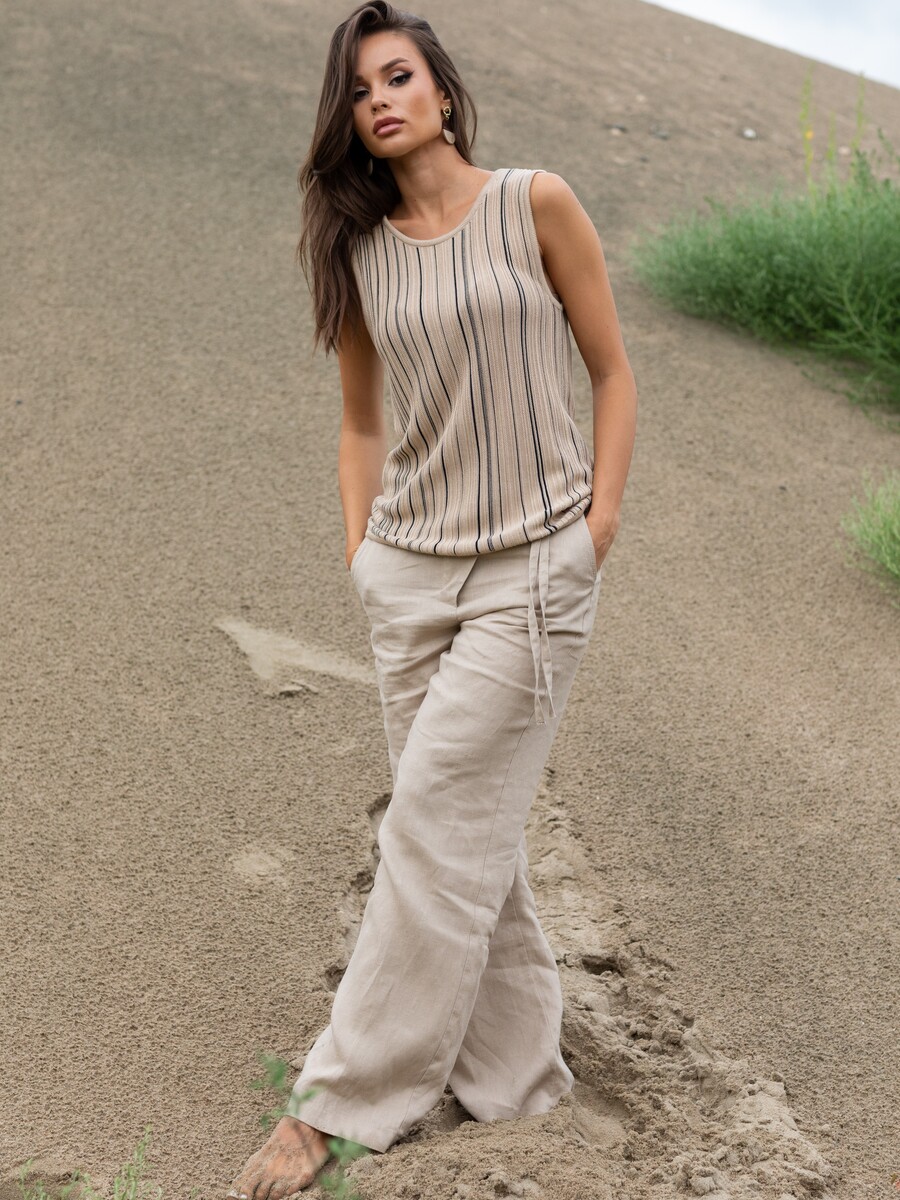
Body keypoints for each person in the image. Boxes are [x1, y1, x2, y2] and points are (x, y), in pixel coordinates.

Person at [227, 2, 637, 1196]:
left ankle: (336, 1104)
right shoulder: (359, 252)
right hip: (408, 573)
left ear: (443, 91)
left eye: (398, 77)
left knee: (429, 823)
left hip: (533, 571)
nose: (381, 101)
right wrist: (362, 551)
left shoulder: (535, 202)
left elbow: (612, 370)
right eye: (359, 92)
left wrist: (597, 526)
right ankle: (525, 1089)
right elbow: (360, 422)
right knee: (470, 842)